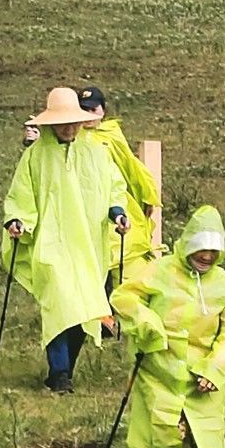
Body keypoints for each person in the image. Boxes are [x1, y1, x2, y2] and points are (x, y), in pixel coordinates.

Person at [111, 206, 225, 448]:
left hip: (202, 381)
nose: (207, 256)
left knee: (204, 446)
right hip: (159, 372)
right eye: (201, 248)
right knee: (157, 438)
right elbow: (123, 297)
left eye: (213, 251)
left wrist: (214, 369)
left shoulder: (224, 284)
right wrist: (147, 323)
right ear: (188, 243)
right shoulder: (160, 270)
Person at [3, 88, 127, 393]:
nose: (69, 128)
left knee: (85, 310)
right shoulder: (34, 157)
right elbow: (21, 194)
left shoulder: (97, 154)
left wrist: (117, 212)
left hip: (87, 246)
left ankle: (64, 370)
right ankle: (60, 375)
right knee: (59, 305)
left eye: (73, 121)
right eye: (62, 123)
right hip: (51, 245)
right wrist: (17, 220)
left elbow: (113, 187)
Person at [77, 86, 160, 295]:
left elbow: (130, 166)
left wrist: (147, 196)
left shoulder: (110, 136)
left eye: (92, 110)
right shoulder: (70, 136)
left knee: (120, 257)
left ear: (102, 111)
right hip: (82, 208)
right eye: (83, 110)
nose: (87, 116)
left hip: (113, 203)